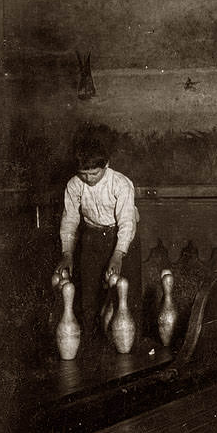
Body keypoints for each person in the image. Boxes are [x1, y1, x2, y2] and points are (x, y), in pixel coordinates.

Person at [54, 137, 141, 336]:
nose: (89, 179)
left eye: (94, 173)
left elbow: (127, 223)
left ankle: (132, 346)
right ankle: (91, 343)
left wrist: (118, 254)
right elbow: (69, 220)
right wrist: (67, 253)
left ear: (107, 165)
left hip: (123, 237)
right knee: (89, 294)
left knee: (128, 294)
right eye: (83, 174)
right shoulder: (74, 185)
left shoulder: (121, 183)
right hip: (92, 237)